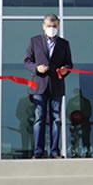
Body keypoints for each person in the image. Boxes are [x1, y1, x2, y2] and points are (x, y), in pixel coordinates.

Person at [24, 14, 73, 159]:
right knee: (39, 118)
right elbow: (27, 61)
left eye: (55, 26)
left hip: (56, 85)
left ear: (58, 26)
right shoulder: (34, 41)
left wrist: (65, 69)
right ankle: (38, 151)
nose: (52, 28)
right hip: (39, 85)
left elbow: (69, 63)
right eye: (49, 26)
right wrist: (36, 68)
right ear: (43, 26)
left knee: (56, 119)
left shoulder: (64, 44)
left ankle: (54, 151)